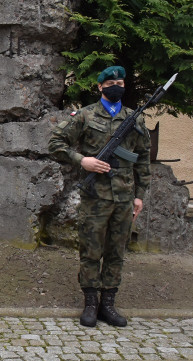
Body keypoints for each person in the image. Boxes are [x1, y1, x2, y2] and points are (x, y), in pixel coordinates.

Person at [47, 65, 151, 328]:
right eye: (111, 82)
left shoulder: (134, 119)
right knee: (91, 250)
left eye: (121, 82)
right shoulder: (84, 116)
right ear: (100, 87)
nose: (117, 86)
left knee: (116, 251)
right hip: (96, 196)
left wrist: (140, 195)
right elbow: (55, 144)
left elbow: (143, 158)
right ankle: (91, 303)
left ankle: (109, 304)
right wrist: (83, 161)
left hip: (125, 198)